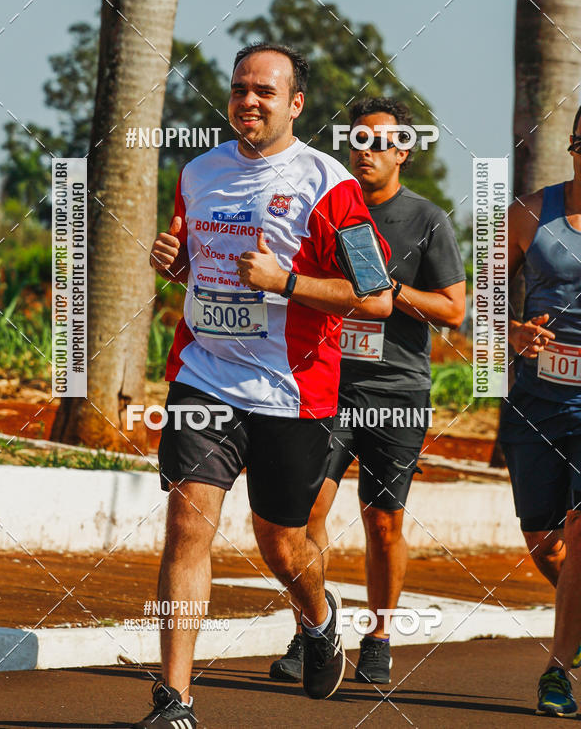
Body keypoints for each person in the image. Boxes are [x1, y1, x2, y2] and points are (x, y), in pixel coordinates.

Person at [133, 45, 393, 728]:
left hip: (293, 390)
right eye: (240, 88)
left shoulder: (329, 184)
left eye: (265, 92)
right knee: (188, 525)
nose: (249, 100)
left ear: (295, 104)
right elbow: (208, 278)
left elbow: (377, 297)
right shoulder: (197, 172)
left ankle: (316, 616)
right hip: (204, 376)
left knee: (280, 543)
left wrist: (289, 283)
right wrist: (180, 267)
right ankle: (175, 701)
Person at [270, 97, 466, 685]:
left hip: (397, 392)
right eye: (358, 139)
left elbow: (454, 309)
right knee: (306, 513)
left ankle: (379, 636)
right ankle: (313, 630)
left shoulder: (426, 219)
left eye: (382, 141)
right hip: (327, 383)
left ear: (404, 150)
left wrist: (387, 290)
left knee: (383, 522)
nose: (368, 151)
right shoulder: (326, 209)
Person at [500, 109, 581, 718]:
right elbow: (479, 301)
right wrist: (512, 334)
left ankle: (556, 671)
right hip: (535, 400)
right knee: (543, 540)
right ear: (575, 148)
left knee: (579, 532)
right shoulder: (530, 212)